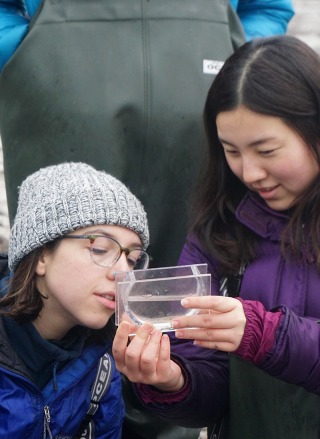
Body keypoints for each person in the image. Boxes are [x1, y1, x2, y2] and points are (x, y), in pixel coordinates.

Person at [112, 35, 320, 438]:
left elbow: (263, 335)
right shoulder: (219, 227)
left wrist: (264, 335)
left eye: (266, 149)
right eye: (232, 150)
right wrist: (172, 380)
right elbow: (210, 388)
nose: (250, 172)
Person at [0, 161, 150, 438]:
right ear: (42, 255)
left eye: (132, 259)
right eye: (101, 248)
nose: (122, 274)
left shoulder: (103, 371)